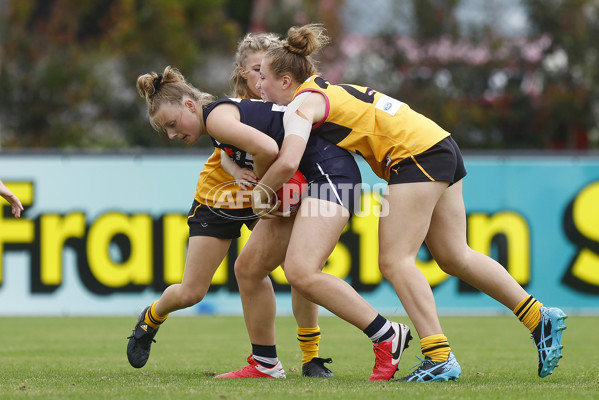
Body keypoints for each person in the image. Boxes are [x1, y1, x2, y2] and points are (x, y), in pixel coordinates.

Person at [251, 23, 567, 382]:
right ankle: (537, 316)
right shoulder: (324, 88)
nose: (257, 85)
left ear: (286, 81)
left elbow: (290, 160)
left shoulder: (301, 105)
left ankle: (439, 356)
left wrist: (260, 193)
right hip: (439, 143)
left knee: (395, 260)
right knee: (453, 255)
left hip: (414, 155)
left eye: (262, 77)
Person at [126, 33, 335, 378]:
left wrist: (266, 189)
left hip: (265, 189)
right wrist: (239, 170)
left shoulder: (288, 102)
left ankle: (308, 357)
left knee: (301, 270)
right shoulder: (226, 107)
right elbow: (226, 153)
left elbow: (272, 152)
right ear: (243, 71)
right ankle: (151, 318)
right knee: (193, 290)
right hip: (219, 195)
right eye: (257, 68)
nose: (263, 75)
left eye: (270, 66)